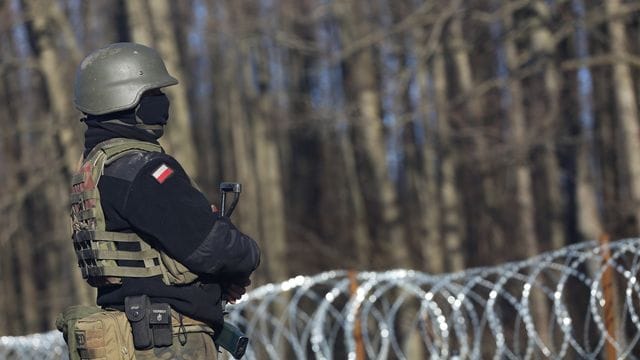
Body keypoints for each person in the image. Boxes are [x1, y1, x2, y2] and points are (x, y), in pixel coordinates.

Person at [66, 42, 260, 359]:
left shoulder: (97, 170)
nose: (162, 102)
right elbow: (214, 247)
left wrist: (214, 284)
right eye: (152, 94)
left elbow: (158, 259)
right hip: (172, 342)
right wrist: (244, 254)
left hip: (132, 339)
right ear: (124, 98)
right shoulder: (144, 169)